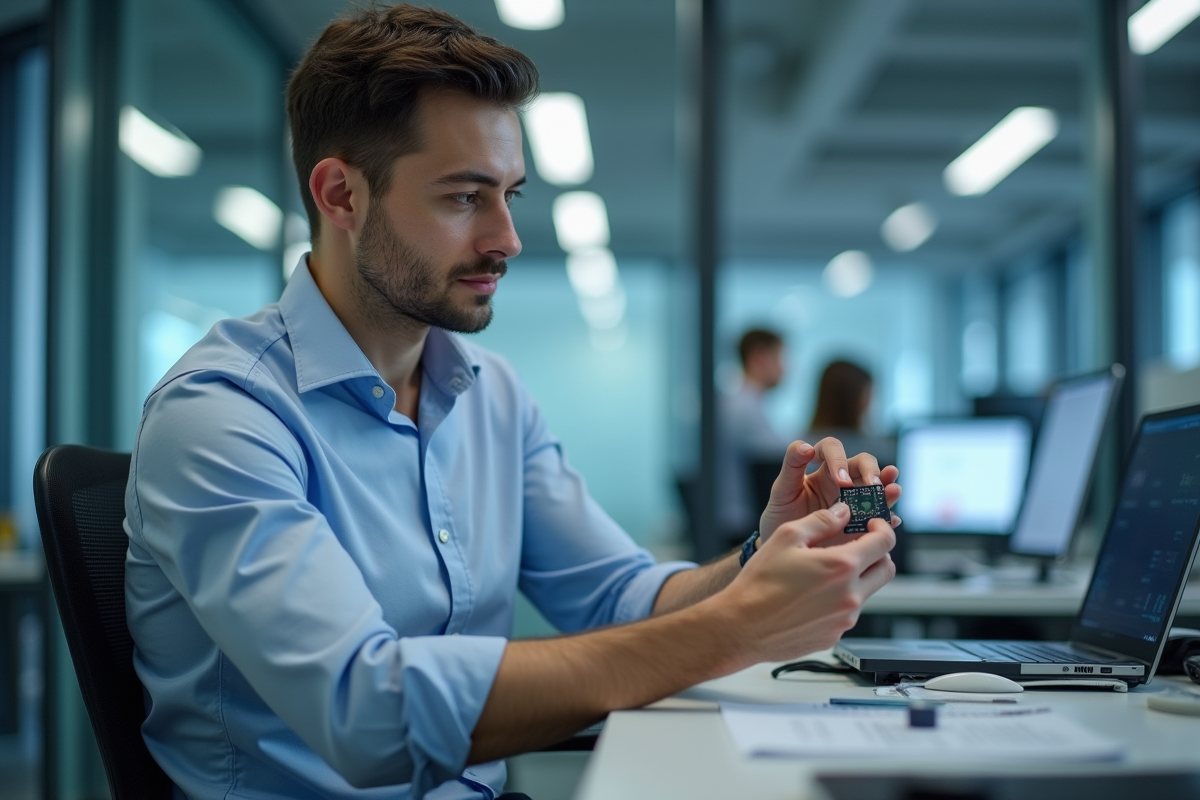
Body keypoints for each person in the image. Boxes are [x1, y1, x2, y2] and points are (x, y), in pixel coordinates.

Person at [123, 6, 901, 800]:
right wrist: (734, 627)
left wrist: (761, 560)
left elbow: (617, 597)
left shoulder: (489, 394)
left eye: (509, 196)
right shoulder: (221, 416)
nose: (507, 238)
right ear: (341, 195)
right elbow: (367, 711)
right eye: (465, 197)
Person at [716, 328, 789, 538]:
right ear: (758, 357)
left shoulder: (747, 403)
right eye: (779, 357)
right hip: (737, 523)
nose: (785, 367)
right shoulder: (742, 407)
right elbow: (781, 454)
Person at [802, 359, 895, 469]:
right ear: (855, 398)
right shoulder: (879, 452)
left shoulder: (800, 450)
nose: (871, 400)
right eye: (868, 393)